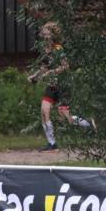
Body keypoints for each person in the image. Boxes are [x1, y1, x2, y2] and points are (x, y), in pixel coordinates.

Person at [27, 22, 95, 152]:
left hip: (63, 85)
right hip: (52, 86)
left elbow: (65, 66)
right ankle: (52, 144)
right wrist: (34, 77)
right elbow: (44, 68)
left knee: (65, 118)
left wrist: (52, 72)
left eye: (47, 30)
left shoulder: (58, 48)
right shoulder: (45, 50)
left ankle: (88, 123)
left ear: (52, 34)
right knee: (44, 111)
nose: (44, 32)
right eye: (44, 30)